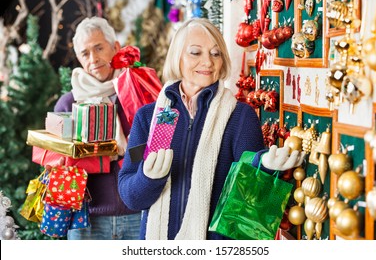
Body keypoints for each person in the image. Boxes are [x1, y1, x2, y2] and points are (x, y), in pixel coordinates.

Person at [118, 18, 305, 240]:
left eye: (215, 54)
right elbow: (130, 196)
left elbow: (248, 202)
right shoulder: (148, 117)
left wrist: (262, 168)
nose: (207, 62)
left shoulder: (240, 117)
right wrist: (148, 178)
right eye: (195, 53)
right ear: (177, 57)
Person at [53, 16, 141, 240]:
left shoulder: (139, 93)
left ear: (116, 47)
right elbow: (55, 161)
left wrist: (127, 151)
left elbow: (154, 148)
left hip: (138, 214)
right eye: (85, 53)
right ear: (79, 59)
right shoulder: (67, 105)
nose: (93, 59)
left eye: (99, 48)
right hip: (86, 219)